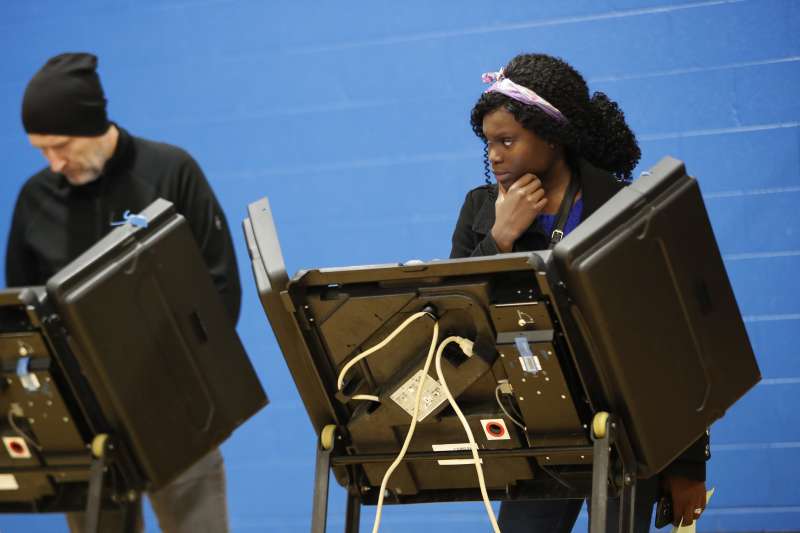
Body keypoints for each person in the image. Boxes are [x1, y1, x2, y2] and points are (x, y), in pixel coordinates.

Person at [450, 53, 710, 531]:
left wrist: (689, 465)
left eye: (507, 141)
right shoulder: (481, 209)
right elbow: (455, 317)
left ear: (552, 137)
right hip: (538, 423)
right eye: (488, 143)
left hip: (630, 427)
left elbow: (674, 339)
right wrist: (499, 238)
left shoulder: (622, 208)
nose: (494, 155)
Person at [5, 52, 240, 533]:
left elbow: (220, 292)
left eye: (61, 145)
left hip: (176, 407)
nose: (54, 162)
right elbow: (20, 318)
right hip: (85, 417)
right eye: (41, 150)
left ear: (93, 124)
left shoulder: (171, 171)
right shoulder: (35, 200)